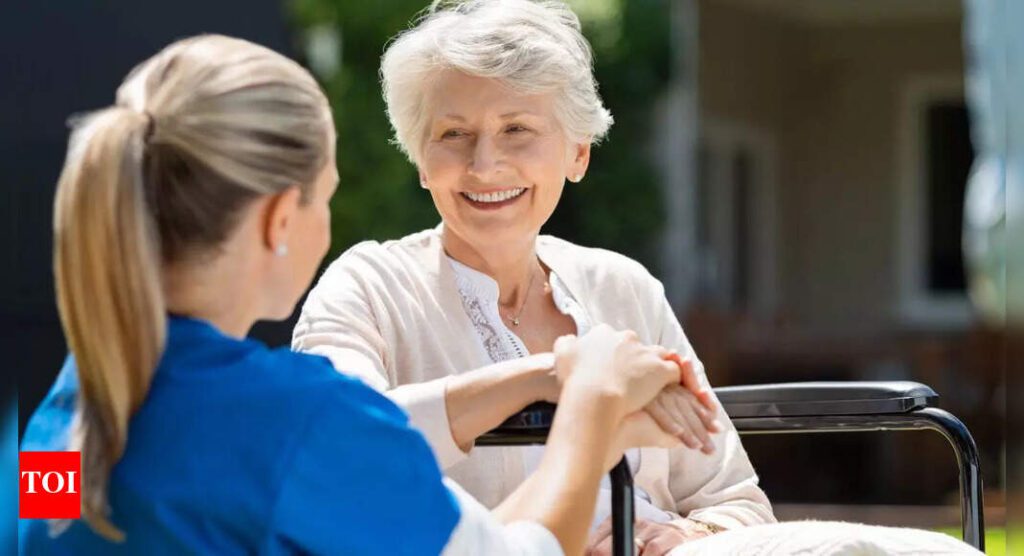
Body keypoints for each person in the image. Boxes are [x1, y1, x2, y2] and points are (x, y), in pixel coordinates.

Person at [19, 34, 698, 555]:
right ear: (280, 220)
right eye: (328, 198)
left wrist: (542, 375)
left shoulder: (66, 413)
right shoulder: (299, 421)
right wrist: (593, 402)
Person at [292, 1, 773, 553]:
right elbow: (336, 446)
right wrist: (558, 374)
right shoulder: (367, 287)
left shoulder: (624, 287)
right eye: (453, 134)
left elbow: (735, 500)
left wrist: (680, 535)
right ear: (421, 161)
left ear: (578, 153)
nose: (484, 165)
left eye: (516, 129)